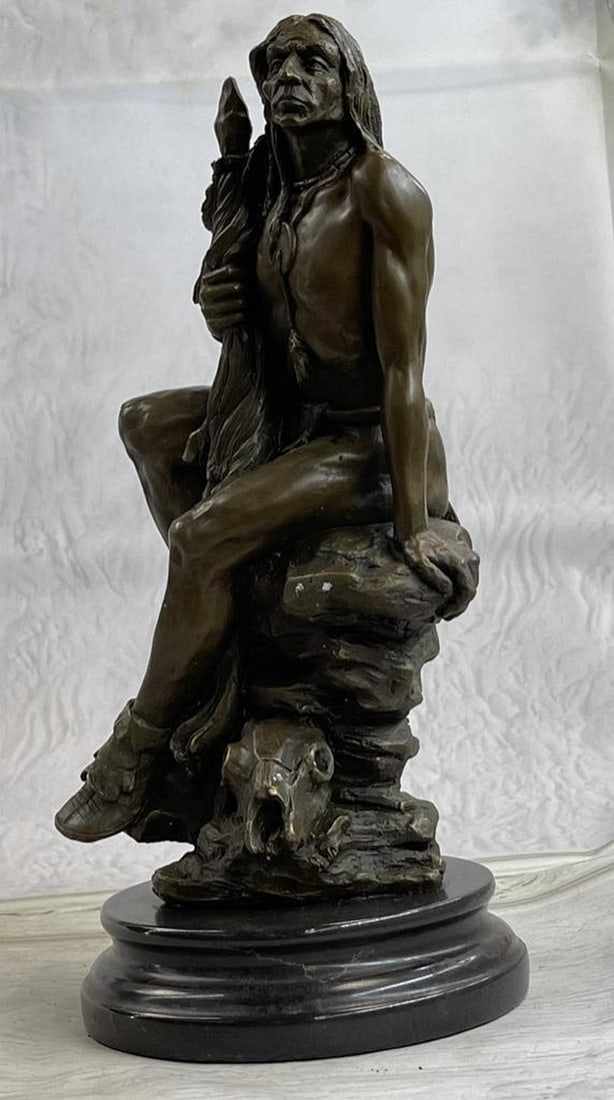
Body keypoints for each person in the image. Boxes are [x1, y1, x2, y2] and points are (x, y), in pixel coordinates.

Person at [56, 14, 474, 843]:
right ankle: (217, 612)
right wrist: (220, 306)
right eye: (277, 62)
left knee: (201, 537)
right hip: (294, 423)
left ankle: (137, 754)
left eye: (313, 61)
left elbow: (403, 370)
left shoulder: (383, 192)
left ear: (350, 82)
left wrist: (415, 523)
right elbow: (258, 318)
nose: (289, 75)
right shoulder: (271, 186)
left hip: (369, 441)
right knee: (146, 425)